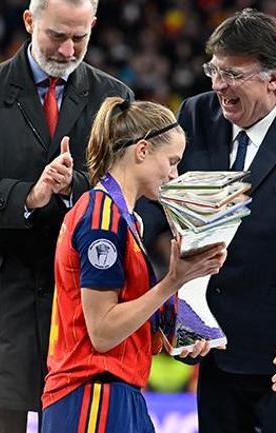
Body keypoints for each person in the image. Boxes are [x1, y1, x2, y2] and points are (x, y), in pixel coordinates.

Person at [137, 8, 276, 433]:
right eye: (214, 70)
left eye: (232, 74)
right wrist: (121, 226)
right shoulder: (195, 116)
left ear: (274, 78)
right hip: (217, 344)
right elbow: (157, 199)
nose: (219, 85)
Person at [0, 0, 133, 431]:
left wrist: (74, 187)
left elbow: (132, 198)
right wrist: (28, 195)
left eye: (80, 38)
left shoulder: (115, 98)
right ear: (28, 21)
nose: (67, 50)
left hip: (78, 314)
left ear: (94, 25)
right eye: (57, 36)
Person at [41, 97, 226, 433]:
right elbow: (103, 331)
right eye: (172, 161)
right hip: (92, 395)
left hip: (117, 392)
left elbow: (129, 321)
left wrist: (182, 329)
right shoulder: (101, 218)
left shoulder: (126, 220)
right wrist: (172, 281)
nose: (175, 174)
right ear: (142, 151)